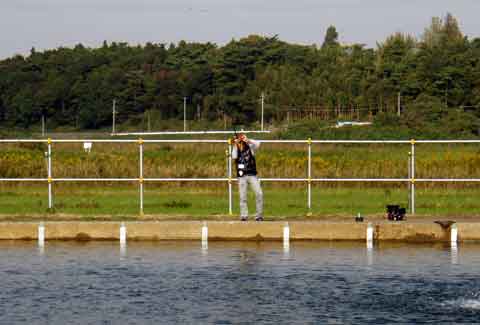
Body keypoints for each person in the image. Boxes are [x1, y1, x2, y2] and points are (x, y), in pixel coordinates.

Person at [232, 133, 263, 221]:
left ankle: (259, 215)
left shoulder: (250, 145)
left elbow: (258, 144)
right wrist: (235, 144)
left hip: (252, 174)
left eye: (242, 137)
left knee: (259, 193)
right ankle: (244, 215)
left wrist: (248, 140)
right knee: (242, 196)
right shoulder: (236, 147)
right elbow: (234, 156)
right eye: (239, 138)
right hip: (242, 175)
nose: (241, 140)